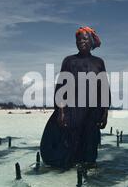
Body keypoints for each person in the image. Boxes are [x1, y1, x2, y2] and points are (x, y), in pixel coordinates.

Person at [40, 26, 110, 170]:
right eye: (78, 39)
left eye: (84, 39)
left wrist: (105, 112)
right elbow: (61, 87)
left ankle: (89, 171)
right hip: (73, 109)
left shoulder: (99, 62)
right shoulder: (69, 61)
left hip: (93, 110)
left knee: (90, 141)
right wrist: (61, 111)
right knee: (70, 141)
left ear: (91, 42)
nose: (81, 42)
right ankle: (69, 173)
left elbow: (104, 87)